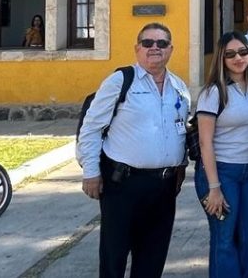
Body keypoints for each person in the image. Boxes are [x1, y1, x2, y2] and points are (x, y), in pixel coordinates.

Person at [77, 23, 189, 278]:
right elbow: (91, 128)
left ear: (171, 49)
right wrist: (91, 172)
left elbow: (180, 130)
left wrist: (180, 167)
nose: (155, 48)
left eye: (162, 43)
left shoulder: (179, 88)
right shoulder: (120, 81)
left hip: (163, 187)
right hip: (123, 185)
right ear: (137, 49)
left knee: (153, 257)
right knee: (114, 256)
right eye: (148, 43)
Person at [194, 31, 248, 278]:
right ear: (221, 59)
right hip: (221, 172)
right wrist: (214, 188)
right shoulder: (213, 92)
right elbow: (205, 142)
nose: (238, 58)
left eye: (243, 52)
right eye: (231, 54)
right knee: (224, 239)